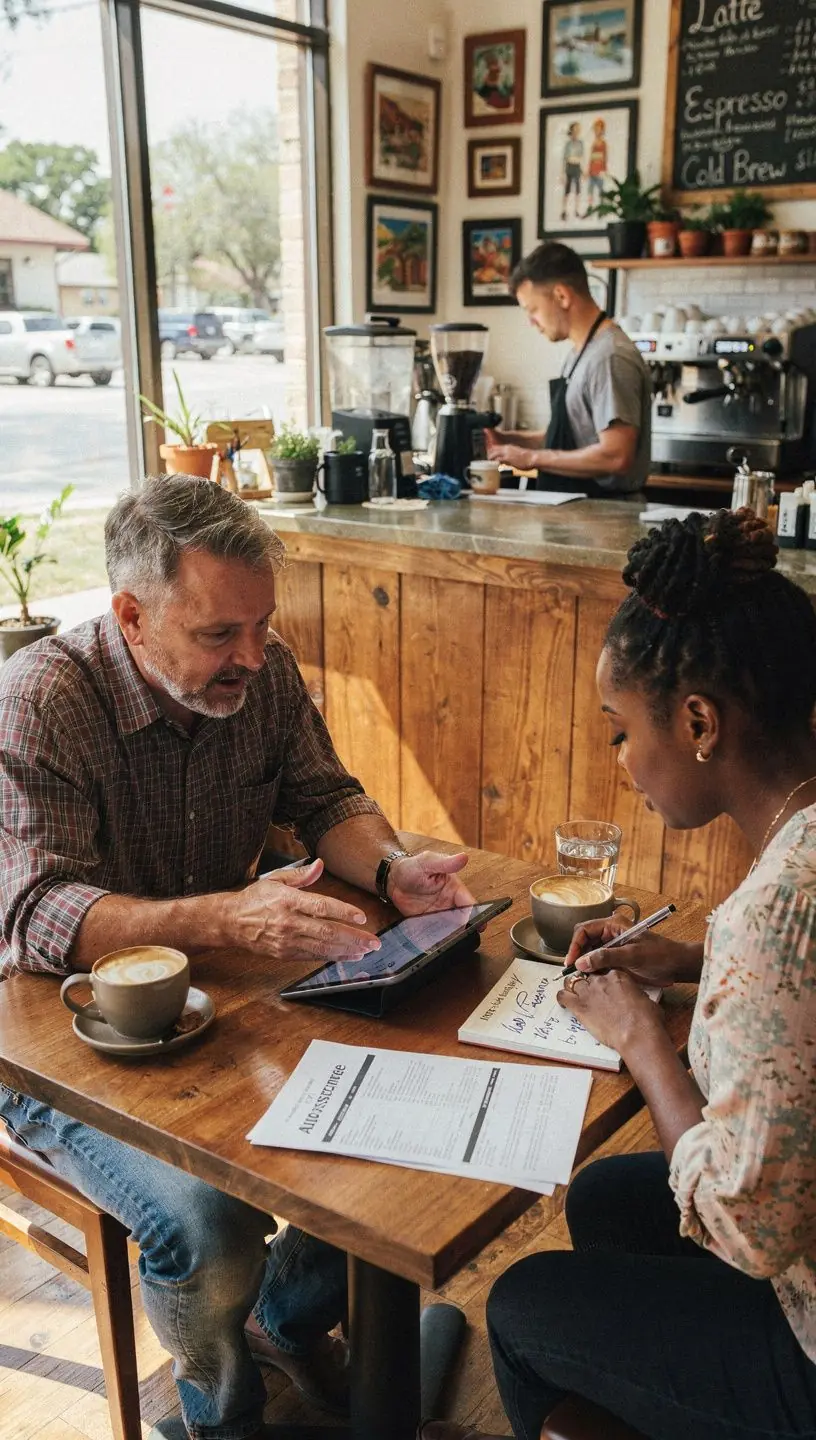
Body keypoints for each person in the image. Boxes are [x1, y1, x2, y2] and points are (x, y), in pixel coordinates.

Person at [0, 476, 475, 1440]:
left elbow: (325, 796)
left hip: (221, 1000)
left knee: (393, 1129)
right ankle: (223, 1413)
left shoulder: (263, 672)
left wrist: (391, 870)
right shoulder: (42, 701)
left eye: (261, 626)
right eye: (220, 634)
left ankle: (290, 1323)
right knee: (211, 1232)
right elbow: (37, 916)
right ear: (131, 616)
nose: (252, 657)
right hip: (60, 1036)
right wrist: (226, 919)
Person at [419, 509, 816, 1440]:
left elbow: (750, 1232)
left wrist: (643, 1037)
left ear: (699, 721)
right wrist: (689, 961)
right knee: (605, 1198)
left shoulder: (778, 911)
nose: (621, 762)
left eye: (619, 731)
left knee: (519, 1306)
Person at [486, 241, 651, 497]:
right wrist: (509, 440)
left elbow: (616, 456)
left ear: (561, 296)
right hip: (578, 515)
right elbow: (571, 439)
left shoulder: (609, 357)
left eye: (533, 310)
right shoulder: (581, 352)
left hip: (605, 520)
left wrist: (531, 457)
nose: (532, 322)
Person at [560, 122, 584, 222]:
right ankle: (564, 211)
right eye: (574, 130)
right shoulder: (568, 144)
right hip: (569, 167)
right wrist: (562, 173)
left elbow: (581, 157)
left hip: (577, 167)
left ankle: (577, 210)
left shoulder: (580, 143)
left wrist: (583, 170)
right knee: (567, 190)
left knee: (577, 190)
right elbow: (565, 159)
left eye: (577, 130)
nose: (576, 132)